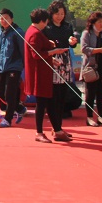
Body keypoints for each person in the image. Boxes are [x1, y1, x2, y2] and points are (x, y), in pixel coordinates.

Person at [24, 8, 70, 143]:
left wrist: (51, 58)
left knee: (49, 102)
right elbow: (36, 54)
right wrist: (53, 52)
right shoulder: (35, 33)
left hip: (43, 71)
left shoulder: (33, 32)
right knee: (42, 104)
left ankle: (57, 130)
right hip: (39, 74)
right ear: (42, 21)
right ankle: (39, 132)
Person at [42, 0, 78, 124]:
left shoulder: (67, 26)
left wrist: (72, 42)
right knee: (54, 89)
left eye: (62, 14)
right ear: (51, 14)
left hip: (65, 59)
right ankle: (53, 115)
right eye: (57, 14)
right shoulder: (47, 27)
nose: (60, 16)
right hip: (53, 59)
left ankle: (62, 113)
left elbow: (71, 43)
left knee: (64, 88)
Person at [0, 8, 26, 128]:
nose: (3, 20)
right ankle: (19, 108)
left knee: (10, 94)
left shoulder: (18, 32)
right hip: (1, 67)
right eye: (1, 18)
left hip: (14, 67)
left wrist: (23, 65)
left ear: (11, 19)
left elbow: (23, 50)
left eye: (6, 18)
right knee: (0, 93)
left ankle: (7, 119)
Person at [80, 11, 102, 127]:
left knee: (101, 93)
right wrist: (99, 50)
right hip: (91, 67)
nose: (101, 24)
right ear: (93, 23)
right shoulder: (87, 34)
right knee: (90, 93)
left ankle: (101, 116)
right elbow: (84, 49)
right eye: (99, 22)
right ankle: (89, 117)